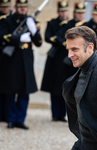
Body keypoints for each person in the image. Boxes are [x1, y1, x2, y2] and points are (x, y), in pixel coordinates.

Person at [0, 0, 42, 129]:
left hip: (26, 59)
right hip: (12, 59)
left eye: (25, 7)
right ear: (16, 7)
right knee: (11, 90)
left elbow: (39, 42)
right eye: (20, 7)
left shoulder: (31, 21)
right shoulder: (8, 20)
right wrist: (18, 39)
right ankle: (11, 119)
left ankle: (20, 119)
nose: (23, 9)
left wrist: (34, 30)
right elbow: (2, 36)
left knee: (25, 91)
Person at [41, 0, 77, 122]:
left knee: (66, 86)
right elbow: (47, 37)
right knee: (54, 86)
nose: (63, 13)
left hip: (67, 58)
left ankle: (63, 114)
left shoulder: (72, 24)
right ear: (58, 11)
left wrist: (60, 40)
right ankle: (55, 114)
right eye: (61, 11)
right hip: (55, 58)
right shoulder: (53, 23)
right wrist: (60, 41)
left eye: (65, 10)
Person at [0, 0, 11, 123]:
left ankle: (5, 113)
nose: (5, 8)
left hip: (7, 55)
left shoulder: (11, 19)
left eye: (7, 6)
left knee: (6, 85)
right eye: (3, 6)